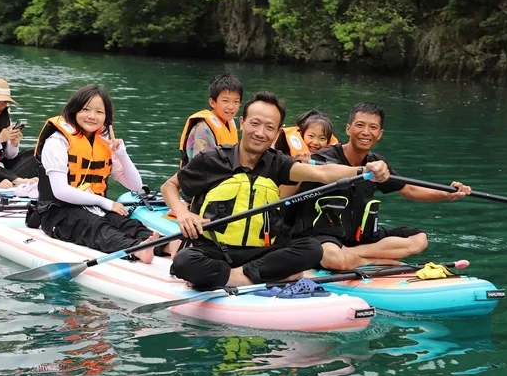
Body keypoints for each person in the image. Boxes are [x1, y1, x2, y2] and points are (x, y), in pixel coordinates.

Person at [160, 91, 391, 290]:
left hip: (260, 252)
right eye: (255, 123)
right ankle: (251, 277)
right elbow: (170, 185)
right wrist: (183, 213)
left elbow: (323, 173)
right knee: (184, 262)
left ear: (277, 131)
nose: (261, 133)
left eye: (269, 127)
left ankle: (232, 277)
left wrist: (365, 170)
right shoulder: (213, 159)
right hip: (215, 249)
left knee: (311, 248)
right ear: (242, 122)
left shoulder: (278, 163)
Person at [288, 101, 472, 271]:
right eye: (360, 125)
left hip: (361, 238)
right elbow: (311, 178)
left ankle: (354, 256)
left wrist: (447, 193)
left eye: (373, 127)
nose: (366, 132)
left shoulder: (378, 163)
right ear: (348, 129)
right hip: (323, 238)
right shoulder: (322, 159)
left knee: (419, 240)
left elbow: (410, 190)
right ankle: (373, 260)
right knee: (333, 258)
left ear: (380, 134)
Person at [34, 84, 180, 264]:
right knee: (96, 226)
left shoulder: (104, 144)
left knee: (125, 222)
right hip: (58, 213)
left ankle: (165, 245)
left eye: (99, 112)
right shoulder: (57, 142)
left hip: (94, 207)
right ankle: (138, 250)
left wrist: (122, 154)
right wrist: (105, 202)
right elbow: (60, 191)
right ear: (74, 110)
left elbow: (135, 186)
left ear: (106, 117)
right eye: (85, 109)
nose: (92, 116)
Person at [178, 73, 242, 167]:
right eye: (225, 101)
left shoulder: (230, 123)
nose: (231, 107)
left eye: (236, 102)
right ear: (212, 102)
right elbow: (201, 168)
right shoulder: (203, 128)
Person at [273, 109, 339, 161]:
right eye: (311, 136)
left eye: (322, 138)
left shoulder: (333, 158)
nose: (315, 142)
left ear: (328, 140)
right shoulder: (283, 150)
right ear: (302, 134)